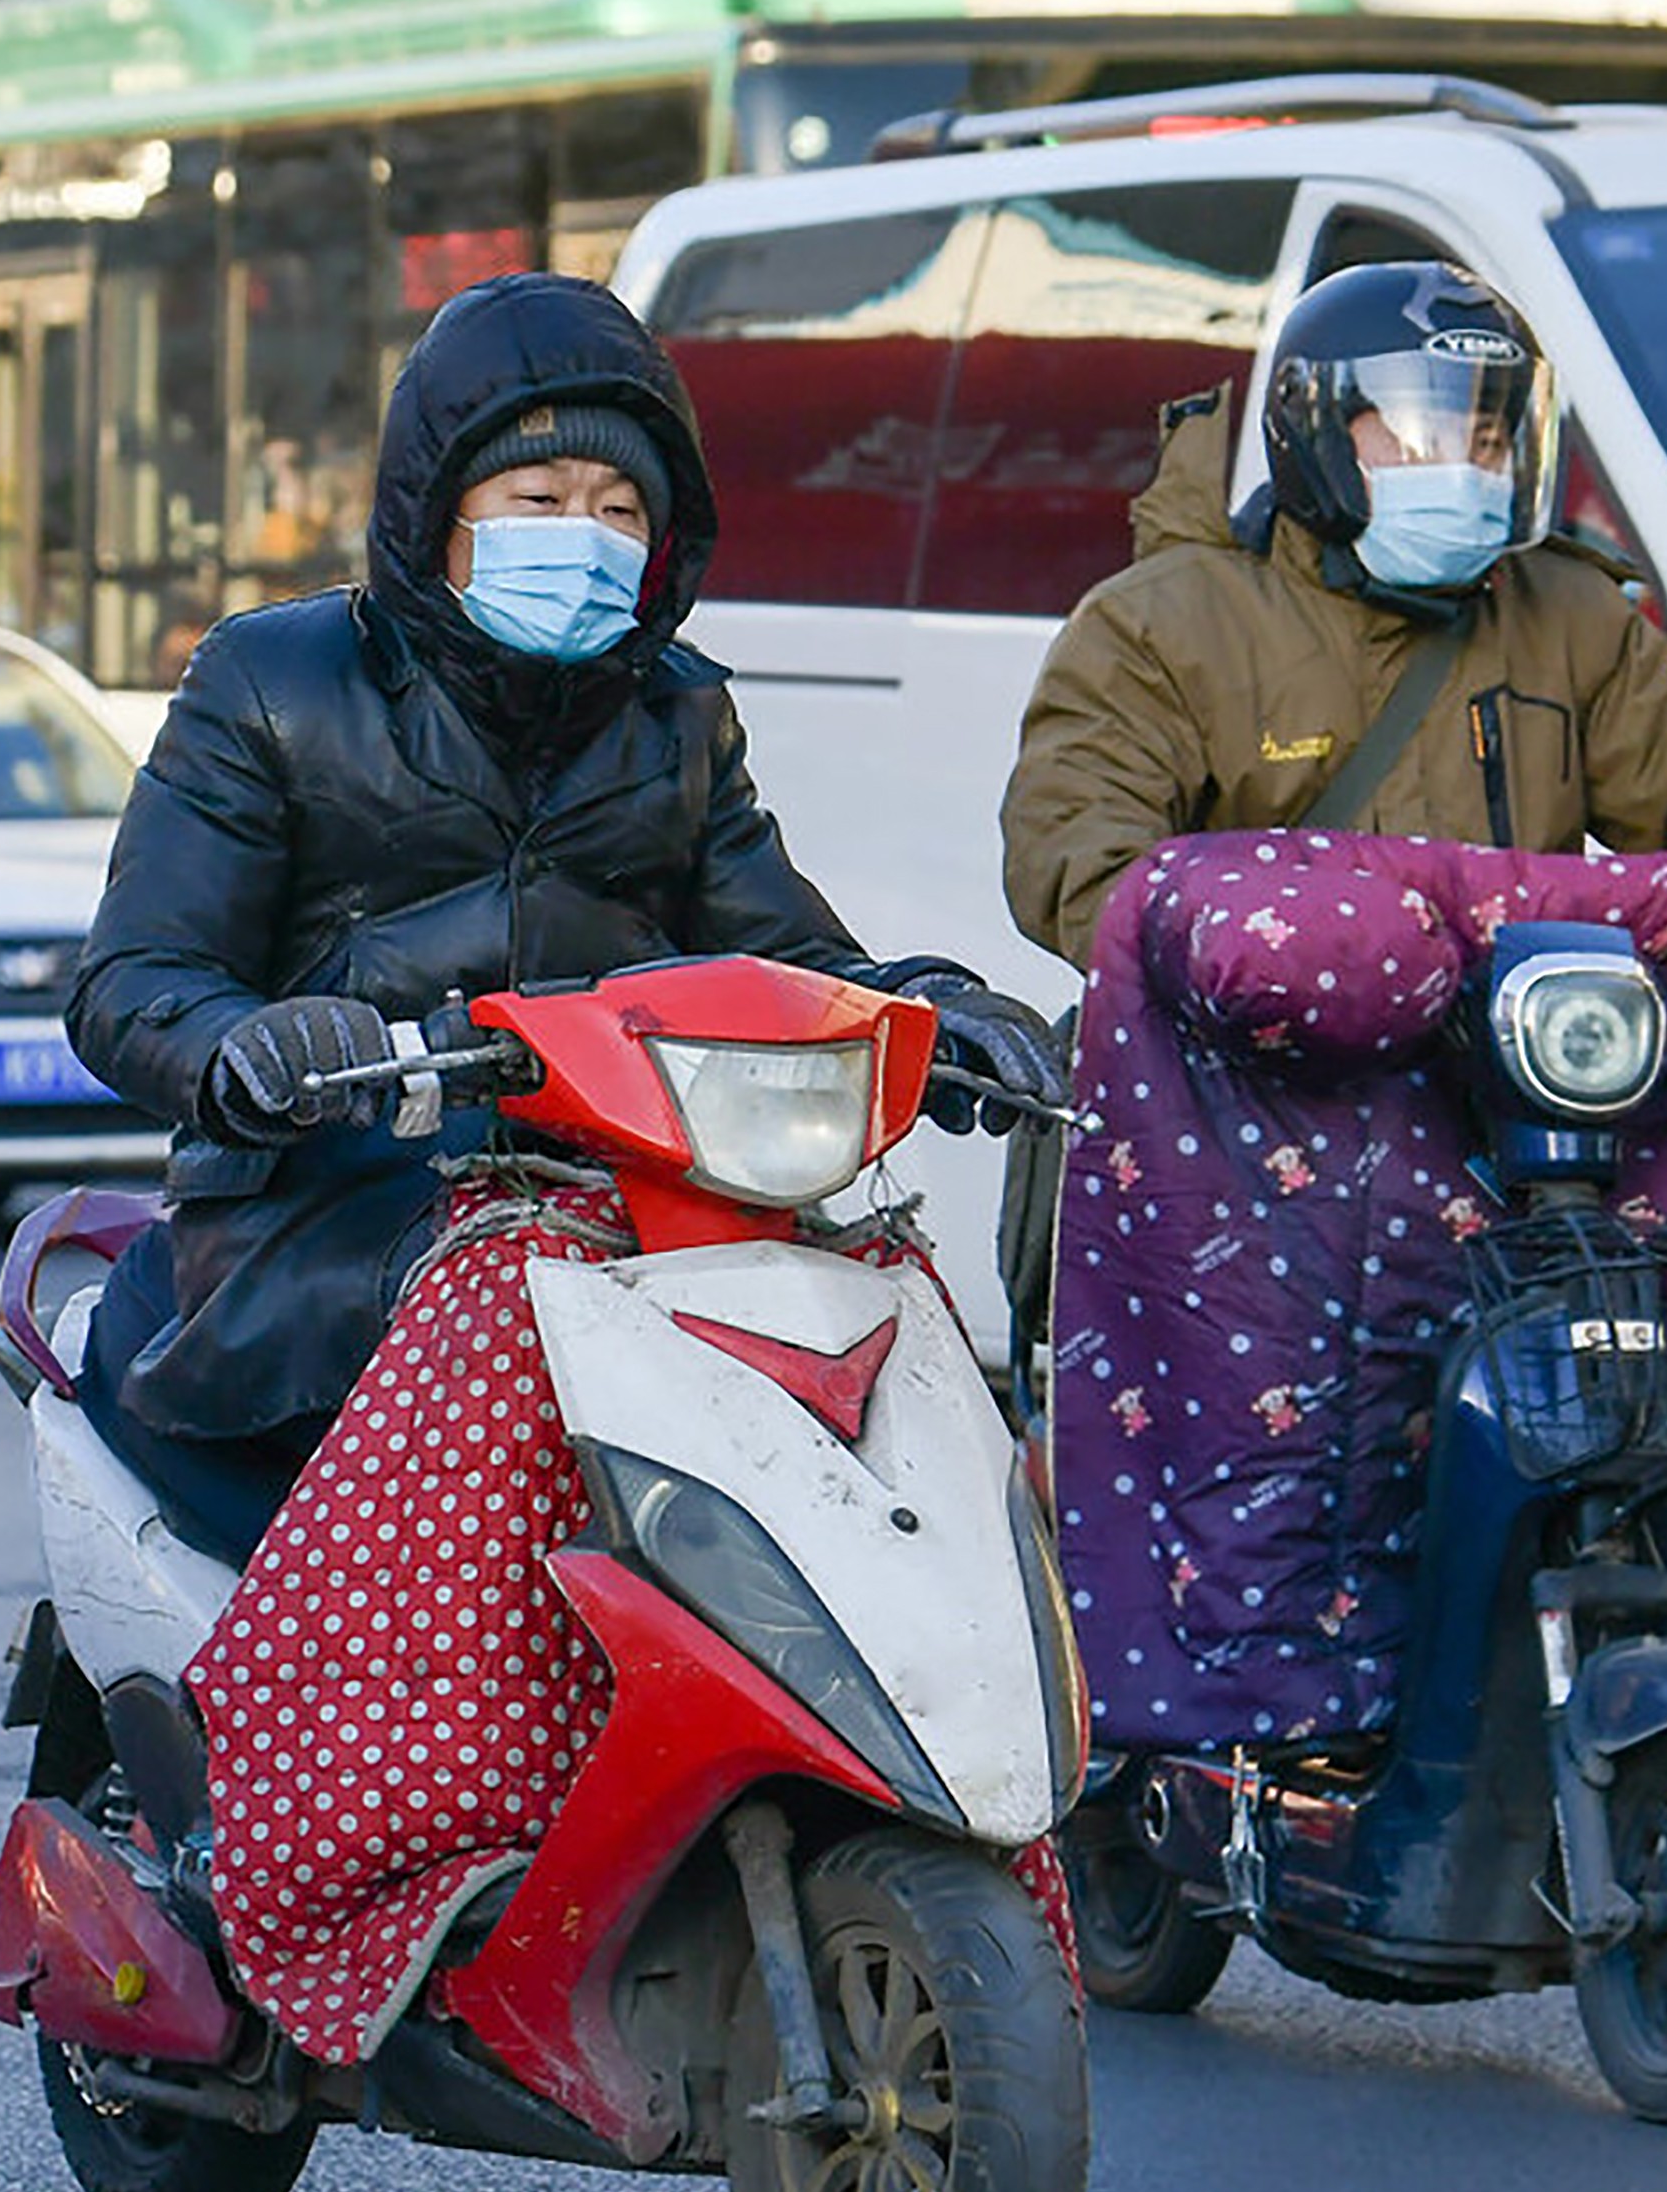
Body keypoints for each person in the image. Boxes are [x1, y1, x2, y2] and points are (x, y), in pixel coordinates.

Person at [67, 270, 1063, 1541]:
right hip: (333, 1201)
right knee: (499, 1328)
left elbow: (787, 953)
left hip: (635, 1202)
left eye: (617, 507)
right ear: (439, 513)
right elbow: (136, 982)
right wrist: (247, 1046)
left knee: (865, 1327)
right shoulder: (270, 682)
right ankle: (387, 1717)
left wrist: (923, 1011)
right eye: (538, 500)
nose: (580, 532)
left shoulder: (676, 713)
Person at [1003, 261, 1667, 969]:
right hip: (1256, 1083)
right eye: (1417, 437)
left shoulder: (1568, 613)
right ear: (1319, 433)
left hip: (1522, 1064)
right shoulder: (1163, 625)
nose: (1463, 471)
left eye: (1484, 442)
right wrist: (1246, 943)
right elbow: (1079, 855)